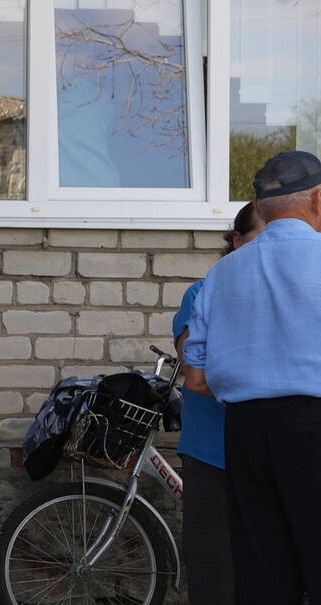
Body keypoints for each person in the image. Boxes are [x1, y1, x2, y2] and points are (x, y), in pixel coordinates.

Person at [184, 151, 321, 602]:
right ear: (318, 200)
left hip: (244, 431)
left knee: (262, 570)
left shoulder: (223, 272)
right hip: (313, 425)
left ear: (261, 209)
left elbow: (196, 377)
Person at [173, 201, 261, 605]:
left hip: (272, 452)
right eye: (259, 244)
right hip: (214, 455)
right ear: (237, 241)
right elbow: (198, 376)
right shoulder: (202, 293)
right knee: (215, 577)